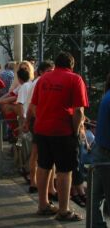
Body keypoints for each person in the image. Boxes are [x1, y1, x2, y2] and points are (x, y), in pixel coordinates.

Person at [31, 52, 87, 222]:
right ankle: (63, 210)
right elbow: (79, 111)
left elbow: (33, 106)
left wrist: (38, 120)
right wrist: (76, 130)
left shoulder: (43, 79)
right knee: (64, 171)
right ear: (72, 65)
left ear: (55, 64)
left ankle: (43, 204)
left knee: (44, 166)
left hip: (41, 129)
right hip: (62, 131)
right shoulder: (75, 79)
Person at [23, 60, 55, 195]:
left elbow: (30, 105)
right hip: (40, 120)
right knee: (47, 156)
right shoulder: (43, 82)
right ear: (42, 71)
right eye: (49, 71)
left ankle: (33, 182)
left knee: (35, 154)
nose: (52, 73)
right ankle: (50, 188)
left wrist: (26, 122)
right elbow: (32, 106)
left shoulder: (34, 83)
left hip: (35, 120)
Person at [91, 73, 110, 227]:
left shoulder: (107, 96)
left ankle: (97, 225)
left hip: (100, 150)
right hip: (107, 153)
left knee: (94, 195)